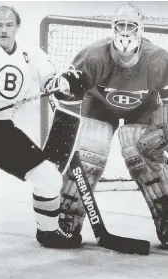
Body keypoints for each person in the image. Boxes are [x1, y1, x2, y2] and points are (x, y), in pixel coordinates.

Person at [0, 5, 87, 249]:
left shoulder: (30, 52)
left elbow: (52, 81)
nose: (3, 30)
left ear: (17, 27)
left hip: (3, 129)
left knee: (50, 179)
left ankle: (48, 233)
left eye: (9, 25)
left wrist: (66, 83)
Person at [55, 3, 168, 247]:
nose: (125, 31)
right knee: (89, 151)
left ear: (141, 28)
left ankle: (166, 220)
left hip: (143, 107)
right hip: (99, 105)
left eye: (131, 26)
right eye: (121, 25)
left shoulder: (159, 59)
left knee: (141, 150)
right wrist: (65, 87)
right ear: (113, 27)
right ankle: (65, 220)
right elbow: (70, 94)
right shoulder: (93, 56)